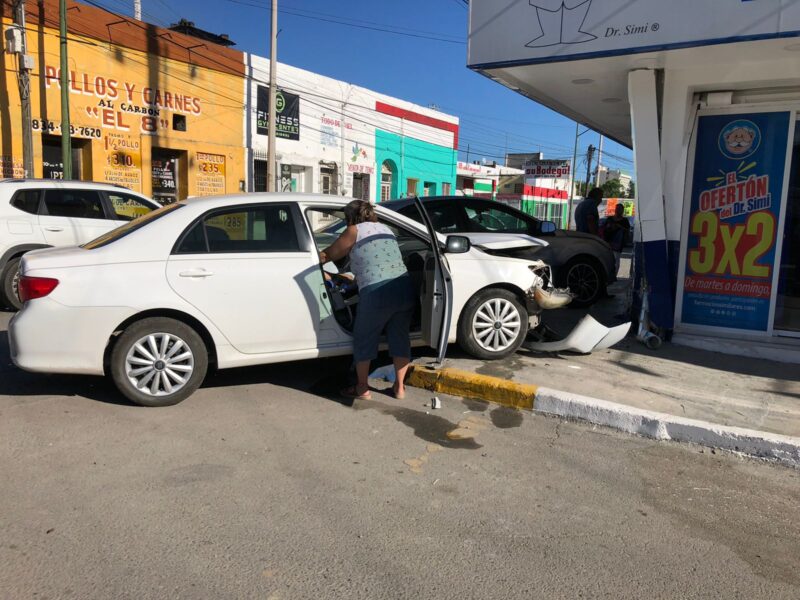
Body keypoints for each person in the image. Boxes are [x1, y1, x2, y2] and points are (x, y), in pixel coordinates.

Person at [319, 200, 416, 401]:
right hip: (403, 286)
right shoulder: (386, 229)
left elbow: (329, 255)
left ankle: (362, 388)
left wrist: (313, 257)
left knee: (364, 338)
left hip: (377, 291)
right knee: (400, 337)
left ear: (350, 217)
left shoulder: (354, 230)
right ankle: (399, 388)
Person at [603, 203, 631, 276]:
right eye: (616, 209)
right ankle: (607, 275)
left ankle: (614, 276)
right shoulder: (610, 219)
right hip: (608, 242)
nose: (617, 210)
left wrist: (620, 227)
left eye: (619, 209)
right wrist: (609, 226)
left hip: (618, 244)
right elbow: (604, 229)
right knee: (608, 259)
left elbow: (627, 231)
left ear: (622, 211)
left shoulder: (625, 221)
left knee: (616, 260)